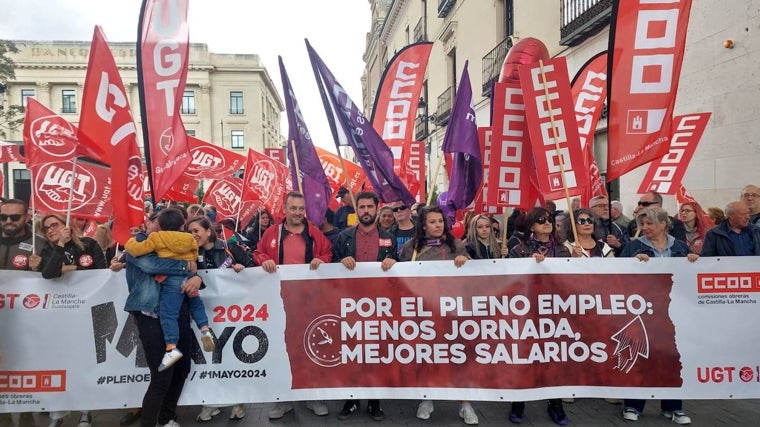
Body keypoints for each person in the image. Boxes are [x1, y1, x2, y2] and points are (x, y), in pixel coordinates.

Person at [253, 191, 333, 420]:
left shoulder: (313, 232)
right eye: (293, 208)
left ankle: (312, 396)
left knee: (308, 346)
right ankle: (283, 400)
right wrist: (263, 260)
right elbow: (257, 251)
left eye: (301, 208)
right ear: (284, 209)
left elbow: (328, 251)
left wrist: (322, 260)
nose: (297, 212)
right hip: (280, 299)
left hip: (308, 300)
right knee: (282, 349)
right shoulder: (272, 233)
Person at [121, 210, 201, 427]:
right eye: (158, 222)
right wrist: (187, 266)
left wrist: (196, 277)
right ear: (150, 222)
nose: (163, 228)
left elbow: (192, 266)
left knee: (182, 368)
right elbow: (150, 266)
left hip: (179, 313)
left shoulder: (175, 244)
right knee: (162, 375)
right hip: (151, 316)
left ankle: (166, 419)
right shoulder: (139, 243)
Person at [399, 205, 478, 425]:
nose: (437, 225)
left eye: (440, 221)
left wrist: (465, 262)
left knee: (458, 357)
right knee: (427, 356)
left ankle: (465, 404)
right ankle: (427, 398)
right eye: (432, 222)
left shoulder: (456, 245)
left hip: (453, 311)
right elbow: (400, 278)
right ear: (423, 225)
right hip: (425, 312)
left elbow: (474, 273)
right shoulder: (410, 248)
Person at [620, 206, 697, 425]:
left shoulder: (681, 247)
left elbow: (691, 278)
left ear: (664, 224)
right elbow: (618, 277)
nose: (645, 228)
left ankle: (673, 407)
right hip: (643, 312)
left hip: (674, 312)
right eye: (642, 224)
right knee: (640, 356)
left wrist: (694, 261)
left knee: (672, 358)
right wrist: (633, 263)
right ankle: (634, 405)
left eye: (649, 224)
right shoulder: (634, 247)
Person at [332, 191, 398, 421]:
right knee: (351, 353)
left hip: (380, 306)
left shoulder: (389, 237)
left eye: (370, 207)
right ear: (356, 210)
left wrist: (394, 262)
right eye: (362, 207)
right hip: (351, 305)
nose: (366, 211)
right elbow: (332, 265)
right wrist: (341, 262)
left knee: (376, 353)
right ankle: (351, 399)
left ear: (377, 209)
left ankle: (374, 402)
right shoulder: (344, 237)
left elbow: (401, 268)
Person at [124, 208, 215, 372]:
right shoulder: (190, 239)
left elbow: (139, 251)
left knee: (168, 313)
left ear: (159, 224)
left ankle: (171, 348)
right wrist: (189, 267)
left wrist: (130, 242)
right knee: (196, 303)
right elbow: (194, 256)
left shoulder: (156, 237)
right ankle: (205, 330)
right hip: (188, 278)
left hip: (172, 282)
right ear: (183, 225)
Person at [38, 213, 107, 427]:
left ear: (67, 225)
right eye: (46, 228)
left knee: (85, 362)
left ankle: (85, 411)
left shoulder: (89, 244)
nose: (50, 230)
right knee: (60, 363)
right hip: (60, 315)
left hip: (87, 313)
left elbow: (100, 272)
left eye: (55, 225)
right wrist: (60, 245)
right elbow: (48, 273)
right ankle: (57, 415)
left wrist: (68, 269)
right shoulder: (49, 249)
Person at [507, 207, 570, 425]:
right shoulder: (519, 250)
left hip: (555, 313)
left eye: (549, 219)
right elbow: (511, 283)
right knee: (525, 357)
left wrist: (580, 262)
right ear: (531, 226)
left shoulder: (563, 250)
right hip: (528, 313)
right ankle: (518, 402)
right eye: (541, 220)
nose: (547, 223)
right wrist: (529, 265)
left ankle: (556, 404)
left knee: (554, 358)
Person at [187, 216, 253, 422]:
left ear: (208, 231)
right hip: (203, 315)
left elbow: (252, 268)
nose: (194, 235)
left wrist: (240, 270)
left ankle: (237, 402)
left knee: (230, 356)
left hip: (230, 313)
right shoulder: (188, 253)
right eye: (190, 232)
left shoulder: (228, 248)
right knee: (207, 357)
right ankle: (209, 403)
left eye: (197, 230)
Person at [0, 199, 40, 426]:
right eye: (3, 217)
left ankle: (27, 415)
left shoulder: (39, 245)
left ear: (26, 217)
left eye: (14, 217)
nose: (8, 221)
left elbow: (55, 278)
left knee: (24, 370)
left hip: (25, 323)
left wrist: (42, 267)